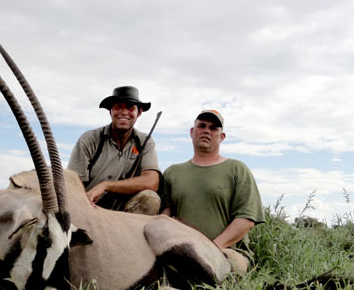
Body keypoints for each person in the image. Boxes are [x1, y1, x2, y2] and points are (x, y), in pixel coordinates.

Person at [159, 110, 264, 274]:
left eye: (214, 128)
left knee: (219, 272)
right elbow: (164, 218)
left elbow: (246, 220)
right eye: (201, 126)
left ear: (222, 137)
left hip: (226, 252)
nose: (206, 130)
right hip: (182, 252)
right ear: (192, 132)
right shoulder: (172, 172)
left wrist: (211, 249)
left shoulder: (237, 169)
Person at [68, 86, 161, 215]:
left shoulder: (146, 142)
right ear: (110, 111)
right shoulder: (89, 139)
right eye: (118, 106)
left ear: (139, 113)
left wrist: (106, 185)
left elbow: (151, 181)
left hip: (124, 213)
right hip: (89, 207)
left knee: (150, 198)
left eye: (130, 107)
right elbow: (72, 184)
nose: (124, 112)